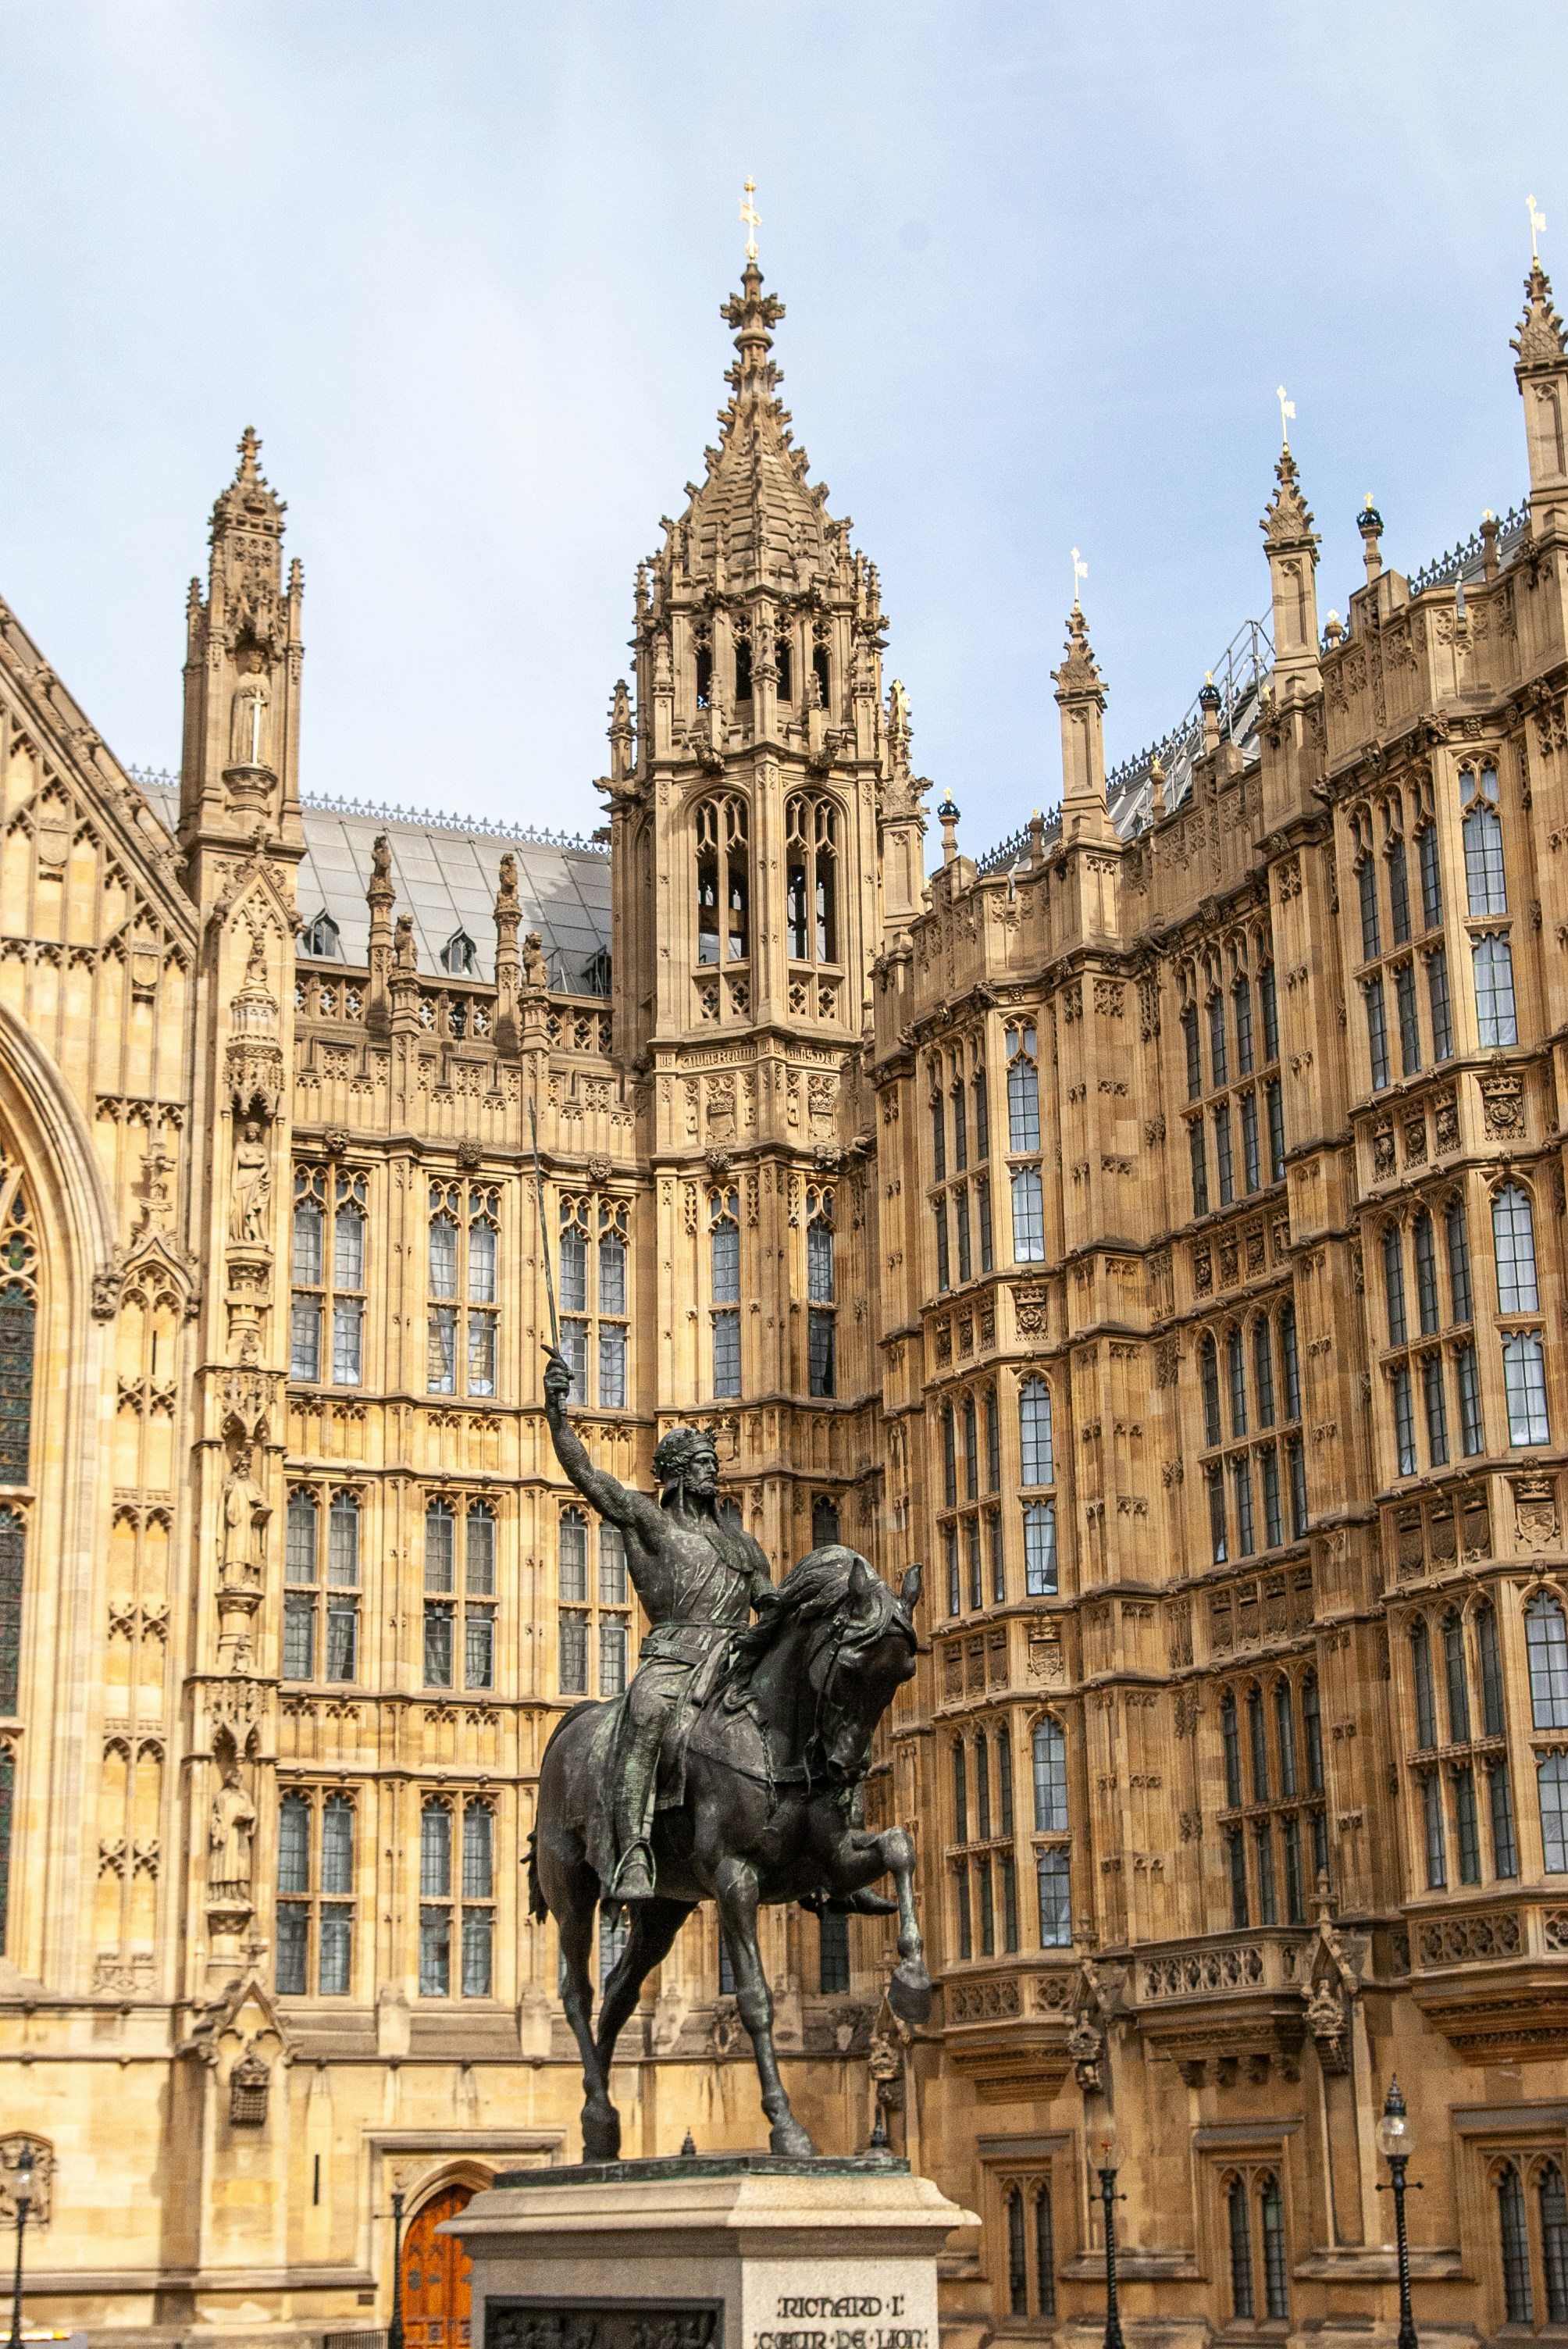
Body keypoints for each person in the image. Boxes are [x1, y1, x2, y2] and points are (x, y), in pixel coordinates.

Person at [543, 1346, 776, 1899]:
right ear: (674, 1473)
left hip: (735, 1660)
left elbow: (769, 1602)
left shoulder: (742, 1543)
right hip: (674, 1660)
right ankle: (631, 1853)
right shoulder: (651, 1522)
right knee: (644, 1715)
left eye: (713, 1465)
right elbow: (587, 1476)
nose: (711, 1472)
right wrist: (557, 1414)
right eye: (700, 1464)